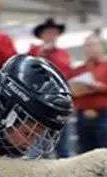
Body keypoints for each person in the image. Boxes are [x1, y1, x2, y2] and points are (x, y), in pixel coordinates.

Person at [28, 17, 72, 157]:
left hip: (59, 105)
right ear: (42, 35)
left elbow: (66, 74)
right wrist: (41, 54)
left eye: (53, 32)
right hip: (39, 105)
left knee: (63, 146)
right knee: (37, 146)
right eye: (48, 32)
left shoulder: (63, 54)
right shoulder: (33, 51)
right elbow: (28, 71)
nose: (51, 36)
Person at [69, 34, 107, 153]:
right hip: (82, 116)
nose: (90, 48)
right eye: (87, 45)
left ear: (101, 47)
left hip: (102, 115)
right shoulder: (78, 70)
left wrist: (101, 87)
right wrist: (75, 91)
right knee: (84, 154)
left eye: (93, 45)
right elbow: (71, 91)